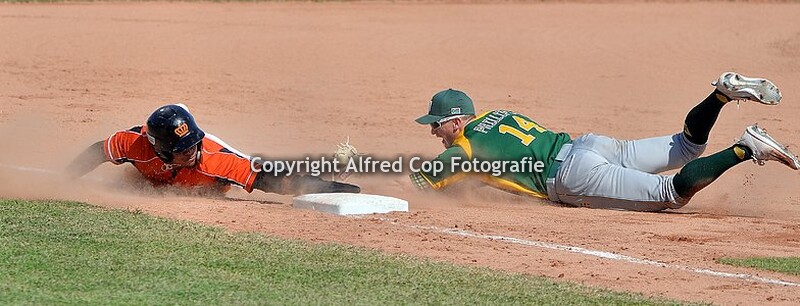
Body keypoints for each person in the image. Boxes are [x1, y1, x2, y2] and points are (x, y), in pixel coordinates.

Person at [409, 72, 799, 211]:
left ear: (456, 122)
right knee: (685, 147)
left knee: (671, 194)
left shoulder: (464, 150)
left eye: (436, 125)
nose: (433, 132)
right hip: (590, 145)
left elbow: (419, 184)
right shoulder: (498, 115)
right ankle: (720, 95)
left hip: (574, 176)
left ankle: (745, 148)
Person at [67, 104, 360, 196]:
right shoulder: (134, 144)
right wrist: (63, 179)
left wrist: (339, 191)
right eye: (182, 149)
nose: (191, 152)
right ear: (161, 150)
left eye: (193, 143)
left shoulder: (213, 161)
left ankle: (336, 173)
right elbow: (97, 152)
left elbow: (277, 182)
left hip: (215, 178)